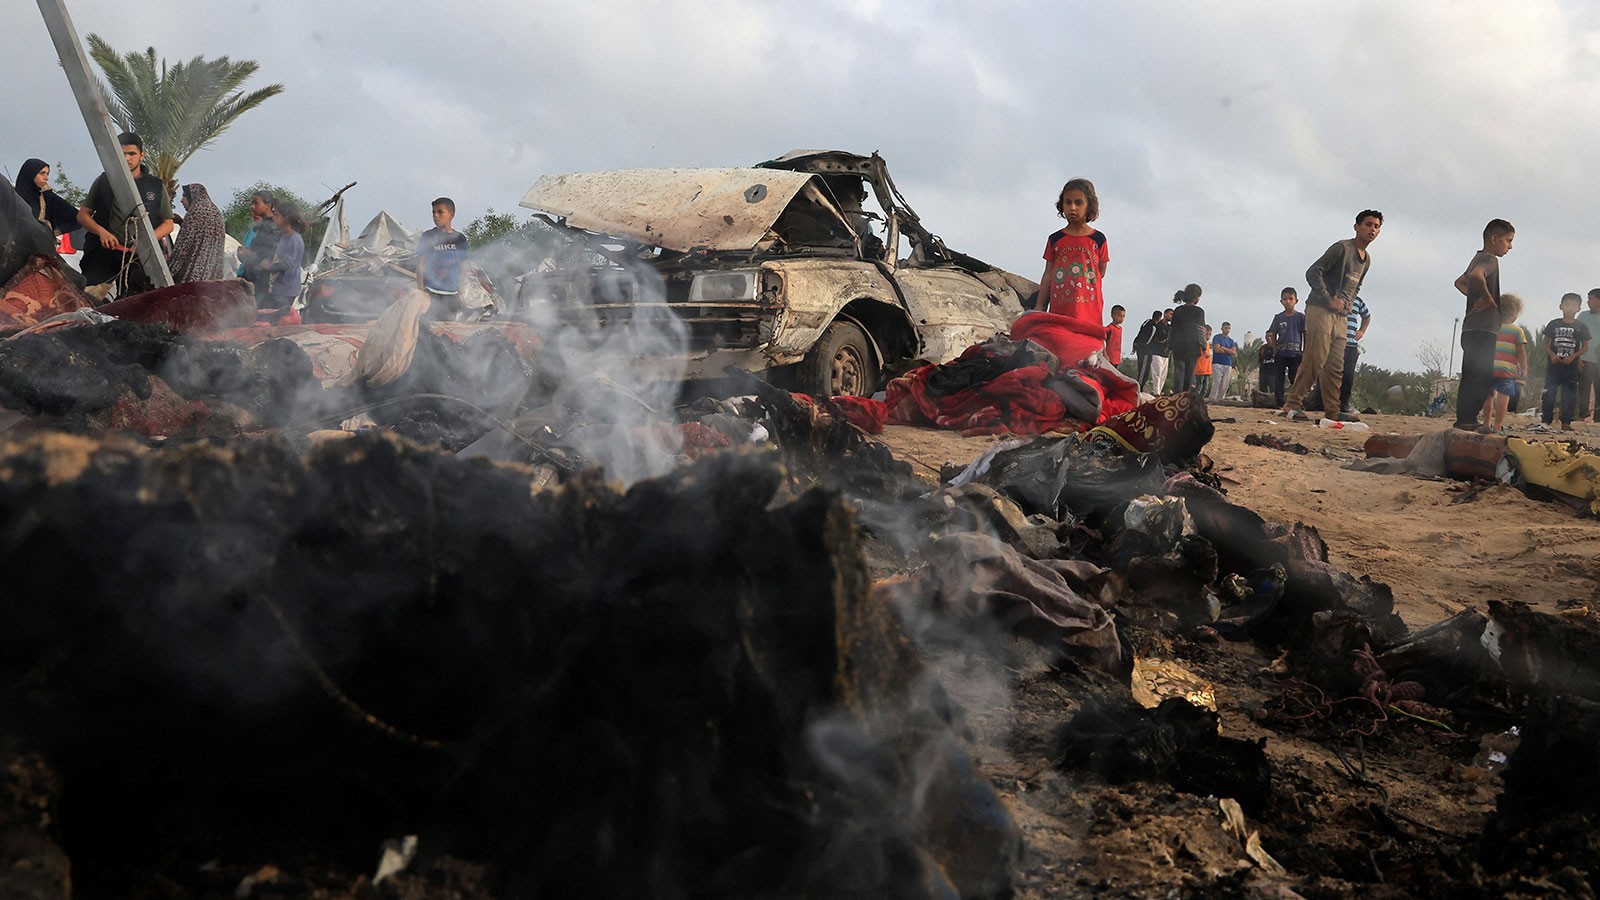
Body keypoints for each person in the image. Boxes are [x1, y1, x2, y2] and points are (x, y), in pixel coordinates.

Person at [1281, 210, 1381, 423]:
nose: (1372, 229)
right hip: (1321, 309)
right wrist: (1329, 299)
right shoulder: (1341, 249)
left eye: (1376, 226)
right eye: (1368, 224)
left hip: (1342, 316)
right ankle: (1292, 404)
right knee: (1315, 357)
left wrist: (1349, 304)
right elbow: (1313, 272)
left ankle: (1333, 411)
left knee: (1336, 365)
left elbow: (1357, 285)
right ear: (1357, 227)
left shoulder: (1366, 259)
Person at [76, 131, 174, 298]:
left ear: (141, 155)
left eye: (132, 154)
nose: (127, 158)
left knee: (137, 301)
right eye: (122, 154)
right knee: (89, 298)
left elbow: (168, 223)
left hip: (138, 257)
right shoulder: (104, 181)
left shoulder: (156, 187)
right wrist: (102, 233)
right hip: (103, 253)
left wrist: (146, 242)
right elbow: (83, 215)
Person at [1452, 219, 1514, 430]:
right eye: (1508, 240)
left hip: (1470, 328)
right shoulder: (1489, 259)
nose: (1510, 246)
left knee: (1470, 374)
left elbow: (1460, 282)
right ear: (1494, 238)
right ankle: (1468, 419)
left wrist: (1475, 296)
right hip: (1483, 328)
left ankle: (1464, 419)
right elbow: (1478, 276)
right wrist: (1487, 299)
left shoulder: (1476, 257)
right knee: (1482, 377)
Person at [1033, 178, 1108, 330]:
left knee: (1087, 346)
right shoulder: (1055, 239)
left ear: (1089, 206)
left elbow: (1100, 272)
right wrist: (1040, 306)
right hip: (1061, 308)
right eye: (1068, 202)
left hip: (1089, 309)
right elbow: (1048, 274)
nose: (1072, 207)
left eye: (1078, 203)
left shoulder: (1098, 239)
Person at [1540, 292, 1591, 432]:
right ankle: (1546, 421)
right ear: (1561, 306)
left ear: (1578, 309)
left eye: (1573, 305)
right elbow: (1545, 343)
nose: (1570, 308)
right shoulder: (1554, 324)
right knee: (1549, 392)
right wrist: (1552, 354)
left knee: (1569, 395)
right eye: (1567, 305)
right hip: (1554, 366)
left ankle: (1566, 422)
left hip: (1571, 366)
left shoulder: (1581, 326)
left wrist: (1573, 356)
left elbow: (1585, 346)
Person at [1481, 293, 1529, 435]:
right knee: (1503, 395)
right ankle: (1497, 426)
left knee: (1488, 395)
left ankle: (1486, 423)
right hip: (1507, 369)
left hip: (1489, 366)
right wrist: (1524, 368)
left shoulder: (1492, 328)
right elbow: (1521, 352)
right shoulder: (1517, 331)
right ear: (1514, 314)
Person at [416, 197, 470, 317]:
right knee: (427, 328)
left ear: (451, 215)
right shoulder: (428, 236)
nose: (436, 216)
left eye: (440, 212)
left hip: (451, 293)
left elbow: (463, 266)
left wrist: (460, 289)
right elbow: (420, 264)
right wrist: (420, 290)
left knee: (446, 329)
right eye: (433, 212)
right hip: (431, 292)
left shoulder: (459, 239)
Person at [167, 183, 227, 283]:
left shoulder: (195, 212)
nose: (182, 201)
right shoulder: (216, 212)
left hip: (192, 276)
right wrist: (182, 222)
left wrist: (170, 269)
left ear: (193, 196)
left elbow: (184, 246)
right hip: (211, 276)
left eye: (184, 196)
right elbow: (200, 234)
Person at [258, 198, 306, 322]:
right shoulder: (284, 237)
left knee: (278, 321)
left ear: (286, 218)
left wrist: (269, 266)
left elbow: (287, 263)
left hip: (285, 290)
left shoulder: (294, 239)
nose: (273, 217)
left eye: (276, 215)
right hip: (278, 288)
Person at [12, 158, 80, 237]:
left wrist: (53, 233)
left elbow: (79, 218)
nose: (46, 178)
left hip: (40, 246)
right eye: (42, 173)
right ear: (30, 174)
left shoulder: (48, 197)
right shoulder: (12, 198)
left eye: (47, 174)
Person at [235, 190, 281, 300]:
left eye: (256, 203)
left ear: (267, 206)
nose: (252, 207)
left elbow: (267, 255)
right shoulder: (262, 226)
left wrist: (249, 254)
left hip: (260, 282)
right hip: (252, 278)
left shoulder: (272, 228)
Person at [1266, 288, 1305, 408]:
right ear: (1281, 301)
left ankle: (1297, 401)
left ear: (1296, 301)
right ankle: (1279, 402)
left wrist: (1306, 350)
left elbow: (1305, 333)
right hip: (1281, 353)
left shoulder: (1300, 317)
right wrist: (1274, 349)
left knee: (1295, 378)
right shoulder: (1278, 317)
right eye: (1285, 299)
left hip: (1295, 354)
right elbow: (1271, 333)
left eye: (1290, 299)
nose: (1288, 301)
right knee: (1279, 378)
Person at [1168, 284, 1206, 393]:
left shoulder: (1178, 310)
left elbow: (1172, 329)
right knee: (1190, 373)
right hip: (1192, 346)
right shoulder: (1199, 311)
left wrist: (1170, 345)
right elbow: (1201, 330)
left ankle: (1177, 395)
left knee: (1179, 372)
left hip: (1178, 345)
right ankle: (1186, 396)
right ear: (1196, 297)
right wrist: (1203, 346)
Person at [1338, 295, 1372, 415]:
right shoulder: (1334, 298)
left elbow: (1366, 316)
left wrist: (1362, 331)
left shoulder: (1357, 300)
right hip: (1335, 341)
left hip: (1351, 343)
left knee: (1348, 375)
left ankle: (1344, 403)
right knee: (1330, 374)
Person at [1576, 288, 1600, 422]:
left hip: (1599, 359)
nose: (1588, 301)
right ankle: (1582, 416)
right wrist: (1577, 356)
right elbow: (1576, 336)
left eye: (1591, 298)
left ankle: (1598, 419)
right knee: (1583, 388)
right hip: (1584, 357)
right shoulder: (1583, 316)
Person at [1146, 306, 1174, 394]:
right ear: (1165, 314)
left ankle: (1159, 391)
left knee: (1163, 375)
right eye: (1170, 314)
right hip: (1156, 352)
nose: (1171, 316)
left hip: (1166, 354)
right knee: (1157, 373)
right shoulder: (1158, 325)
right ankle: (1156, 393)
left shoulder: (1170, 328)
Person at [1132, 309, 1162, 389]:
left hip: (1139, 347)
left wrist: (1135, 345)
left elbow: (1140, 333)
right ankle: (1139, 388)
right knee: (1144, 371)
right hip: (1145, 351)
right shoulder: (1153, 327)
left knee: (1141, 369)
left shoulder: (1146, 322)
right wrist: (1145, 347)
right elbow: (1148, 339)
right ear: (1159, 318)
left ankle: (1139, 387)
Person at [1210, 322, 1237, 401]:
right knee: (1217, 382)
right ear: (1222, 329)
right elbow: (1217, 349)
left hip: (1228, 363)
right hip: (1217, 363)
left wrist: (1224, 348)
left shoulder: (1231, 341)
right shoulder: (1217, 337)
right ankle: (1213, 398)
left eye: (1229, 328)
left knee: (1225, 384)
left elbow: (1234, 352)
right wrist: (1228, 350)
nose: (1227, 330)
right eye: (1226, 328)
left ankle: (1221, 399)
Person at [1193, 325, 1213, 398]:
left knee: (1205, 388)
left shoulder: (1208, 345)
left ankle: (1200, 400)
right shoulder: (1200, 344)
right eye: (1207, 334)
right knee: (1199, 386)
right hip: (1200, 369)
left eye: (1210, 334)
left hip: (1207, 370)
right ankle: (1195, 400)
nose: (1208, 336)